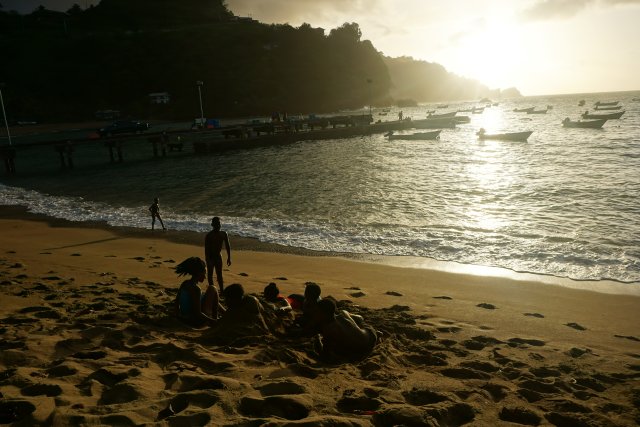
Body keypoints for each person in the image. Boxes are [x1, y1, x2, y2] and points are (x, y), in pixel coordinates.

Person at [173, 257, 219, 327]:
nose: (205, 277)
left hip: (184, 317)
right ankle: (215, 319)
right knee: (212, 289)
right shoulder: (196, 289)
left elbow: (177, 302)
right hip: (195, 321)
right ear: (199, 273)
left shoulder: (185, 283)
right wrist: (212, 321)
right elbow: (198, 313)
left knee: (206, 294)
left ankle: (225, 312)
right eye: (204, 274)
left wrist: (178, 316)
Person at [205, 217, 231, 293]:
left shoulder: (224, 234)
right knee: (210, 275)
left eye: (219, 224)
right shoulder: (209, 235)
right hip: (210, 257)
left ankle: (222, 290)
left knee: (219, 274)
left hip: (218, 256)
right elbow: (206, 249)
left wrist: (229, 257)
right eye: (216, 224)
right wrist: (207, 259)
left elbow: (227, 246)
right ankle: (212, 290)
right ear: (212, 225)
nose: (218, 225)